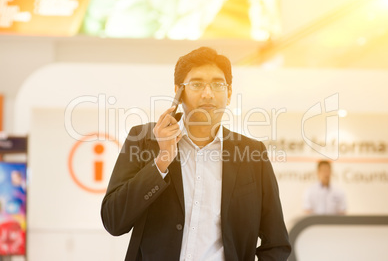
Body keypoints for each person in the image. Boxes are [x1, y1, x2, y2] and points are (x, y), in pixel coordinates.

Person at [101, 47, 291, 260]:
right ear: (178, 92)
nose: (208, 93)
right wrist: (162, 160)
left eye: (218, 84)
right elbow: (113, 221)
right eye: (197, 84)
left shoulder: (252, 154)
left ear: (228, 94)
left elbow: (277, 243)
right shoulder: (144, 139)